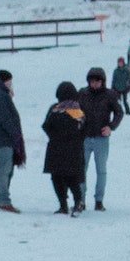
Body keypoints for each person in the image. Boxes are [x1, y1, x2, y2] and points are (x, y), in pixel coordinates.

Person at [78, 66, 124, 211]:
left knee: (101, 170)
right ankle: (81, 199)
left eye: (98, 81)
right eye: (92, 81)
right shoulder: (82, 94)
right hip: (84, 137)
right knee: (81, 170)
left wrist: (111, 127)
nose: (95, 84)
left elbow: (119, 113)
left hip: (101, 139)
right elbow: (75, 111)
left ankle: (99, 200)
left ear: (103, 81)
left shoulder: (110, 95)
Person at [42, 81, 87, 215]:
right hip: (73, 149)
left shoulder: (55, 109)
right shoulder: (78, 111)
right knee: (71, 177)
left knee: (57, 177)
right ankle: (78, 201)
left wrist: (55, 137)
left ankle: (63, 204)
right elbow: (84, 129)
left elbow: (46, 126)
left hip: (55, 149)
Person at [0, 69, 26, 213]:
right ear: (5, 80)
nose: (11, 85)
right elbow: (5, 118)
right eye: (10, 82)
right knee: (4, 170)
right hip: (3, 140)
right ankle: (3, 201)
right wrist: (15, 134)